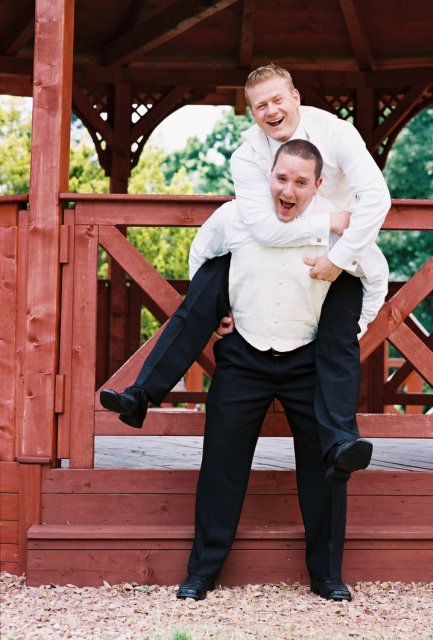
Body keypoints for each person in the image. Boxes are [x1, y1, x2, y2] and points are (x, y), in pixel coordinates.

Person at [100, 63, 391, 482]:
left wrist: (340, 258)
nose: (271, 111)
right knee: (208, 282)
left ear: (295, 97)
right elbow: (264, 228)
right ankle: (141, 394)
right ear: (251, 112)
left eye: (278, 100)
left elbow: (376, 198)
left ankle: (342, 445)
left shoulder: (337, 133)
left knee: (338, 337)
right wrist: (327, 222)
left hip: (336, 256)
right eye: (260, 106)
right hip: (277, 246)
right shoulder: (247, 155)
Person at [176, 140, 388, 603]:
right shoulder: (236, 216)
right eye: (281, 178)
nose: (287, 190)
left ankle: (327, 576)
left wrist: (352, 330)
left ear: (317, 185)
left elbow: (376, 276)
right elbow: (201, 255)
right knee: (221, 462)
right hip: (244, 354)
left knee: (326, 463)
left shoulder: (338, 228)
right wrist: (216, 311)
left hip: (307, 358)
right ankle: (202, 572)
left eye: (300, 182)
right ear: (269, 175)